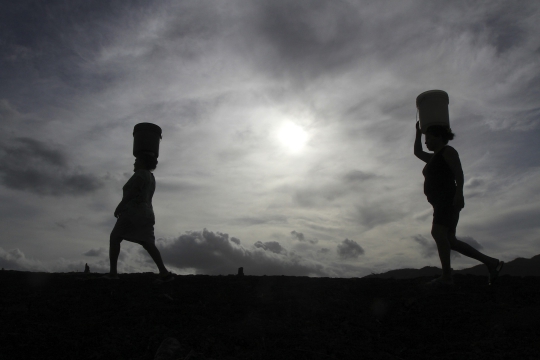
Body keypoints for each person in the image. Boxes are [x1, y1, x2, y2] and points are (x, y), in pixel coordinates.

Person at [414, 121, 504, 286]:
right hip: (440, 202)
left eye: (428, 138)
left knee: (438, 233)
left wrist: (459, 193)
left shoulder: (448, 151)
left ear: (439, 137)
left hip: (448, 199)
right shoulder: (434, 157)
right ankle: (492, 263)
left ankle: (447, 276)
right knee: (450, 239)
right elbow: (417, 151)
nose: (426, 142)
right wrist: (418, 133)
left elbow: (458, 172)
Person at [102, 153, 174, 282]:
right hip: (147, 213)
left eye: (137, 160)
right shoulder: (151, 177)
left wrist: (120, 205)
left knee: (115, 237)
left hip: (133, 212)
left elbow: (134, 191)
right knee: (148, 242)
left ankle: (113, 273)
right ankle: (163, 272)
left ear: (143, 162)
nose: (134, 163)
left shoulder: (140, 174)